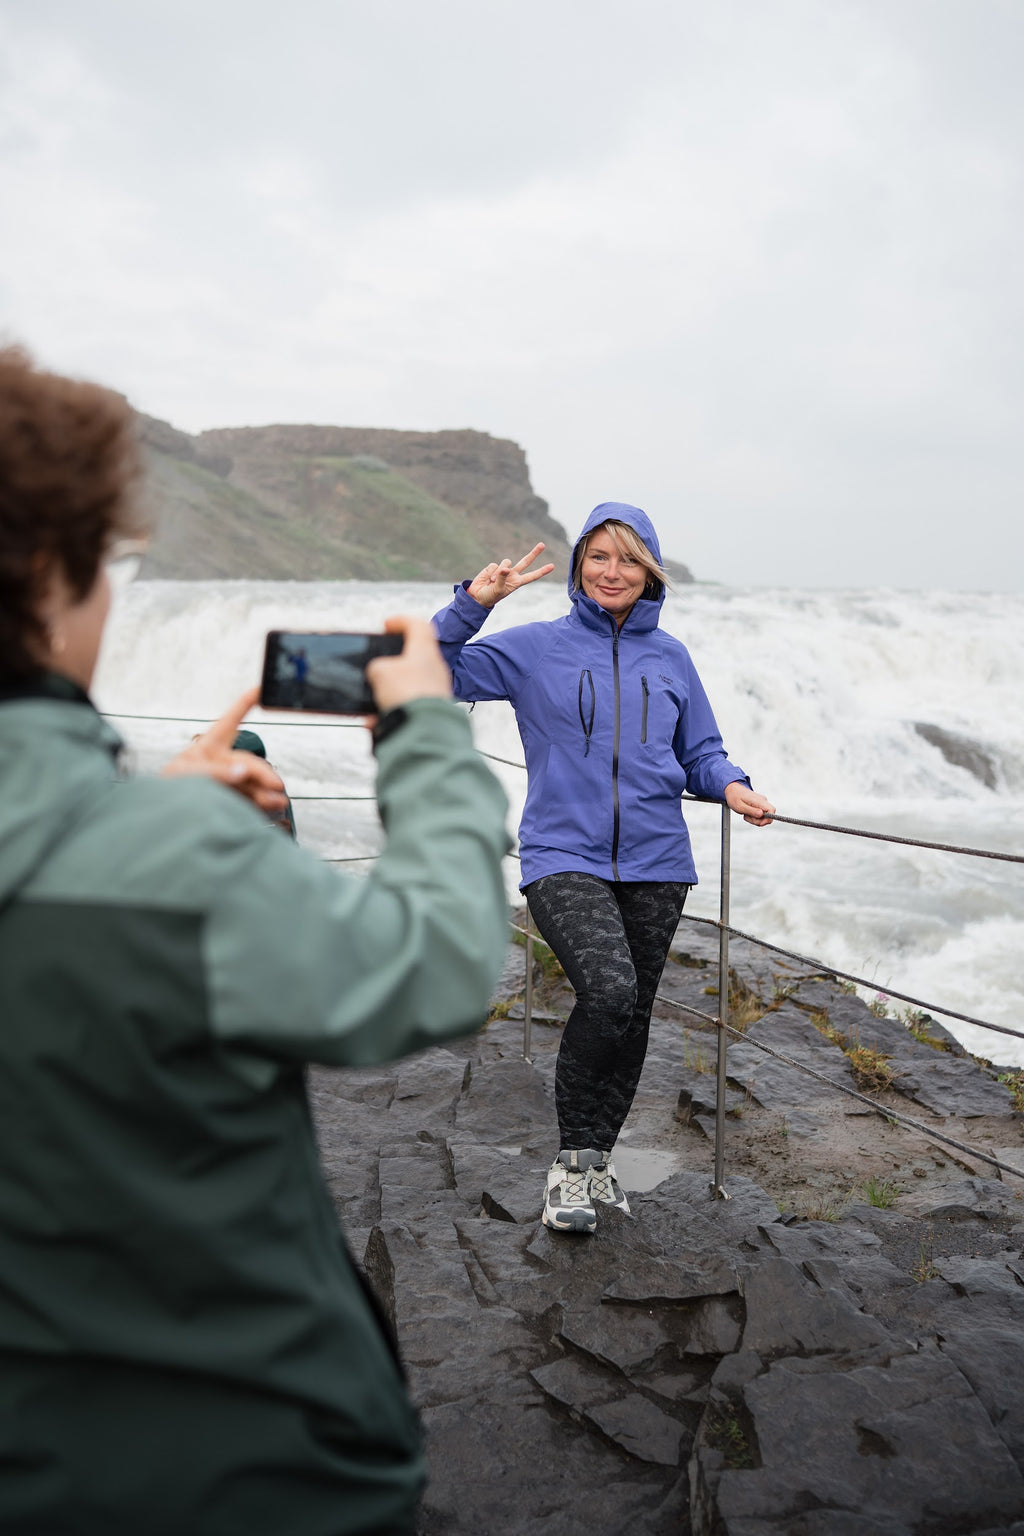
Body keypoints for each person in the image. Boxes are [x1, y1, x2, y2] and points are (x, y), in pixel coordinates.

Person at [0, 346, 510, 1536]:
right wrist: (428, 736)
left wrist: (137, 808)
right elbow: (433, 962)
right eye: (107, 565)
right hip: (249, 1477)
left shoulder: (155, 845)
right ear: (44, 576)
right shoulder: (176, 865)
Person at [432, 502, 774, 1234]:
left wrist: (732, 785)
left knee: (632, 1015)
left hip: (658, 860)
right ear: (580, 567)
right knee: (610, 990)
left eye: (626, 559)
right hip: (563, 853)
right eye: (597, 557)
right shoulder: (534, 648)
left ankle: (596, 1166)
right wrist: (472, 605)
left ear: (648, 570)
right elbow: (426, 674)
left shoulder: (671, 656)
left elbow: (701, 752)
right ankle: (567, 1169)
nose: (610, 571)